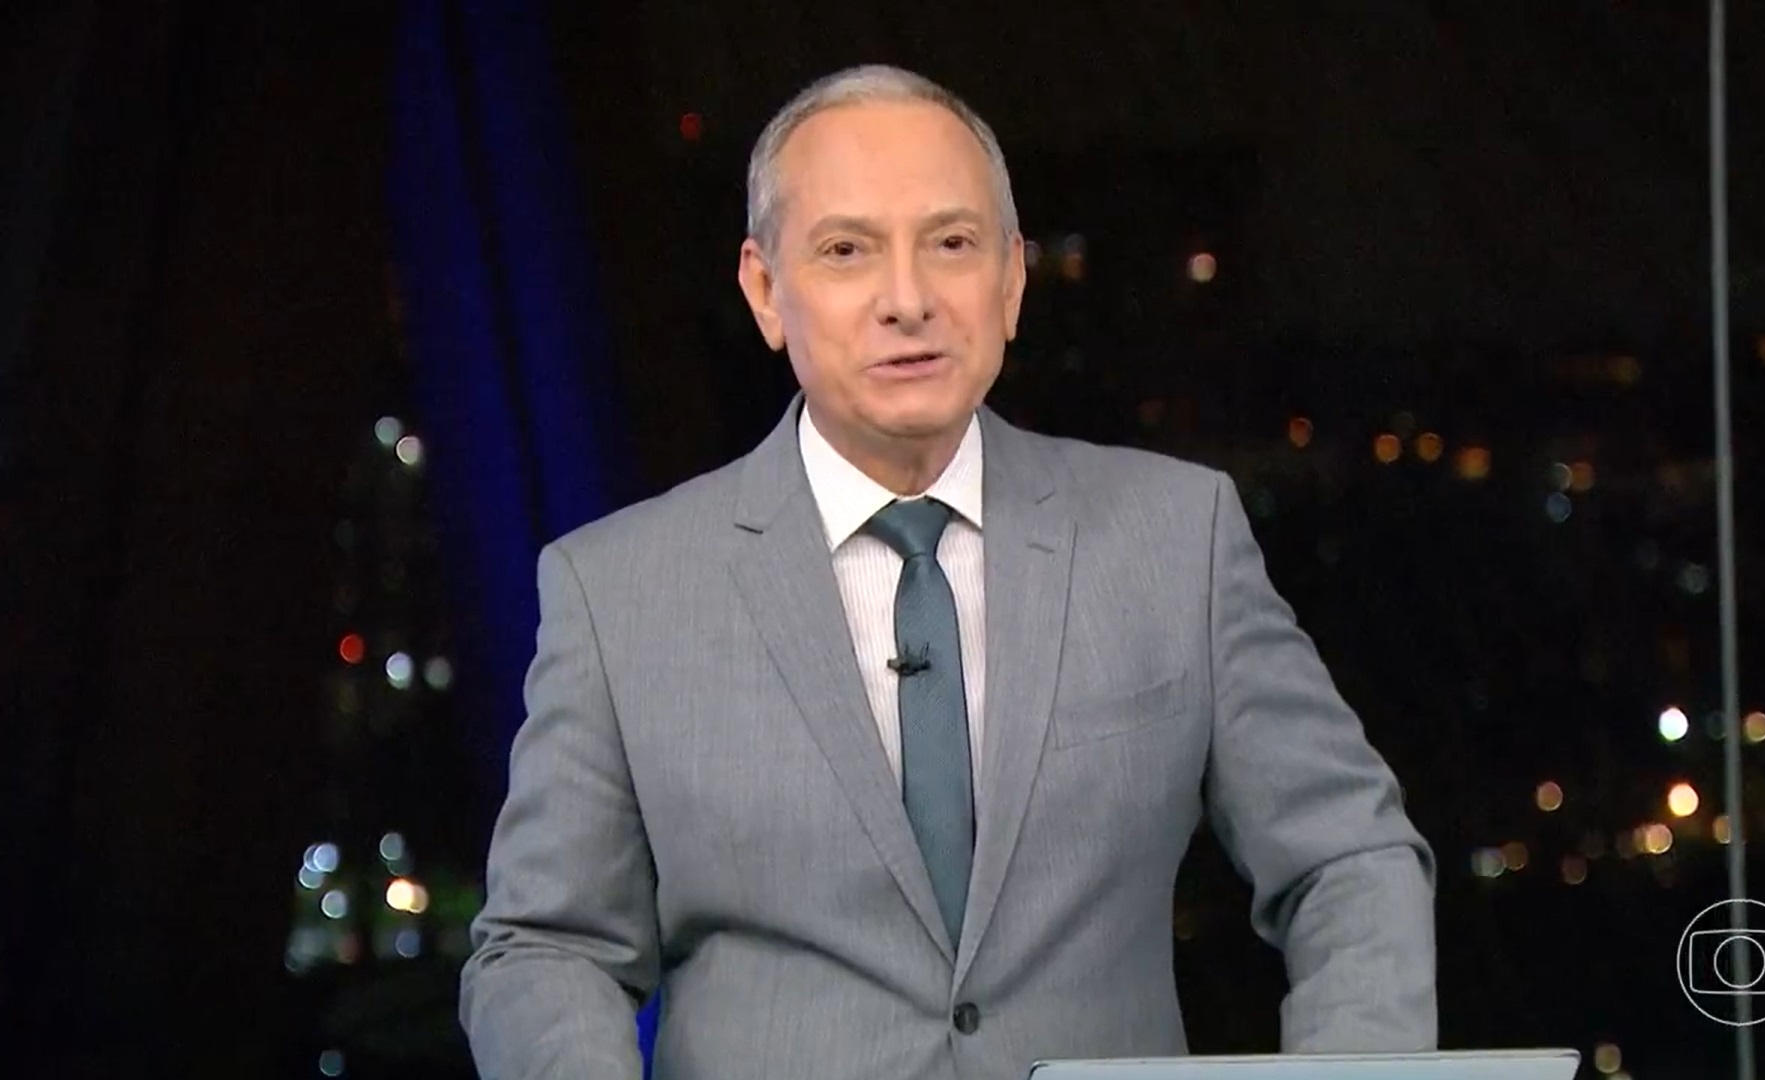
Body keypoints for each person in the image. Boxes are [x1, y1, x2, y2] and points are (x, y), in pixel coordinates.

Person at [460, 63, 1436, 1080]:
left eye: (952, 244)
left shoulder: (1176, 539)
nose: (908, 300)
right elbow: (546, 948)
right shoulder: (619, 593)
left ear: (1011, 281)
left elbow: (1350, 858)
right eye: (846, 250)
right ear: (765, 290)